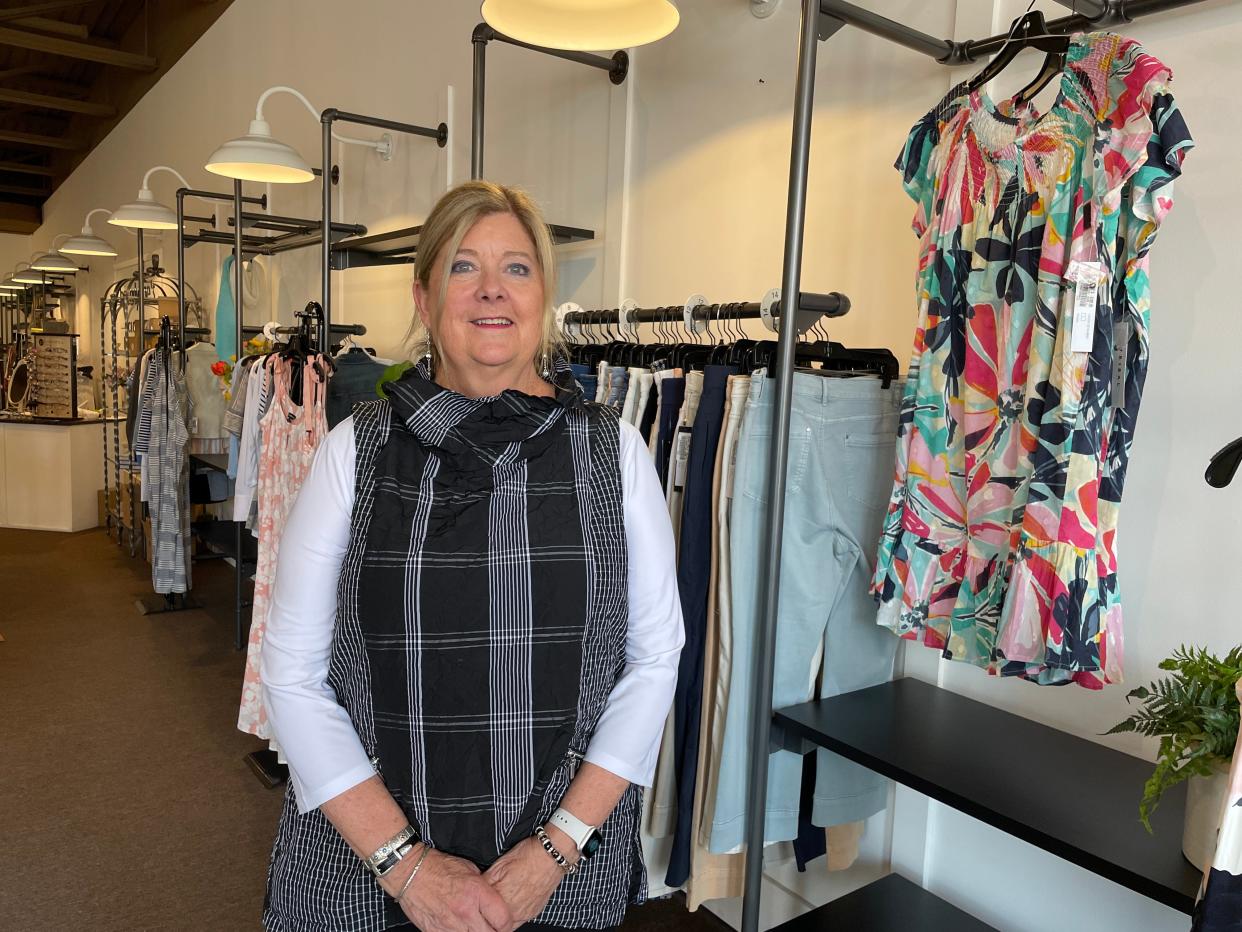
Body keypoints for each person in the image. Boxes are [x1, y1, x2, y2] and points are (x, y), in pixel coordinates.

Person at [260, 180, 684, 932]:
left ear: (543, 295)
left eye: (517, 269)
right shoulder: (354, 452)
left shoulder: (612, 452)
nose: (493, 290)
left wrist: (555, 851)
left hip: (557, 868)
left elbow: (654, 660)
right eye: (464, 267)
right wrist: (407, 866)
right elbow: (290, 674)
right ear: (424, 298)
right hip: (370, 866)